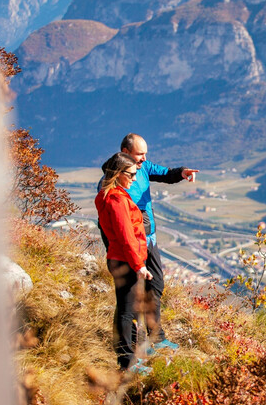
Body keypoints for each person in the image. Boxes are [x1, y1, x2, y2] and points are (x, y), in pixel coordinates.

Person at [118, 133, 197, 352]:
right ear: (125, 152)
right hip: (132, 242)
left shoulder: (142, 167)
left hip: (149, 238)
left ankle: (155, 337)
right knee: (132, 295)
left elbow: (163, 173)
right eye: (139, 154)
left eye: (145, 154)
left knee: (156, 284)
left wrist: (181, 172)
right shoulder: (117, 177)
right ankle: (133, 347)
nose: (143, 158)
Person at [95, 152, 153, 371]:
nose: (134, 178)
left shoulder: (107, 195)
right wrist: (139, 265)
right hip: (125, 260)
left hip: (119, 258)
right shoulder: (117, 199)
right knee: (127, 312)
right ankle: (127, 362)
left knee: (124, 309)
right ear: (118, 174)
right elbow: (126, 235)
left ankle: (126, 357)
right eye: (131, 174)